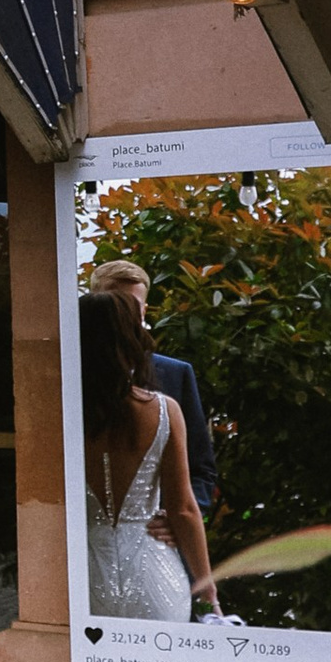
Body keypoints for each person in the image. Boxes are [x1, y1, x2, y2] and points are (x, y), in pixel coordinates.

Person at [80, 285, 220, 625]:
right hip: (155, 578)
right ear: (131, 339)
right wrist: (208, 591)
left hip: (84, 579)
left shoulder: (60, 418)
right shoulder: (162, 410)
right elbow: (184, 509)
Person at [89, 256, 217, 514]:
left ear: (144, 310)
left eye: (132, 306)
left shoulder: (175, 374)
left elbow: (201, 468)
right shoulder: (69, 374)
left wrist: (176, 517)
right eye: (115, 304)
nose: (123, 315)